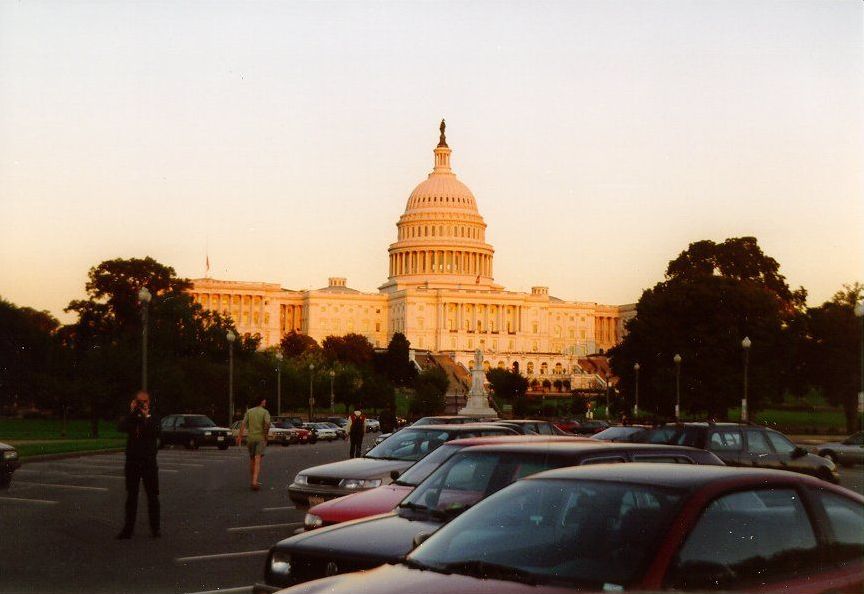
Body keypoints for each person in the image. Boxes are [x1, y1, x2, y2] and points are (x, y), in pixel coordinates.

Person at [116, 391, 161, 539]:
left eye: (145, 401)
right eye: (140, 401)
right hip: (133, 461)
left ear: (149, 402)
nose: (143, 404)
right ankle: (128, 530)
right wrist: (133, 412)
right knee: (131, 496)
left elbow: (156, 431)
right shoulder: (132, 417)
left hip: (149, 461)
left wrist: (146, 417)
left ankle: (155, 529)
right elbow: (121, 427)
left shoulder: (153, 417)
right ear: (135, 401)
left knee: (153, 496)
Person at [237, 396, 270, 490]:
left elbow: (243, 424)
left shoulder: (249, 412)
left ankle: (253, 480)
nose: (265, 402)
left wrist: (239, 436)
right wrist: (266, 436)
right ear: (261, 401)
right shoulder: (265, 412)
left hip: (250, 439)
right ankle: (255, 482)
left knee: (252, 459)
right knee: (258, 459)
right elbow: (267, 424)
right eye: (264, 400)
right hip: (260, 438)